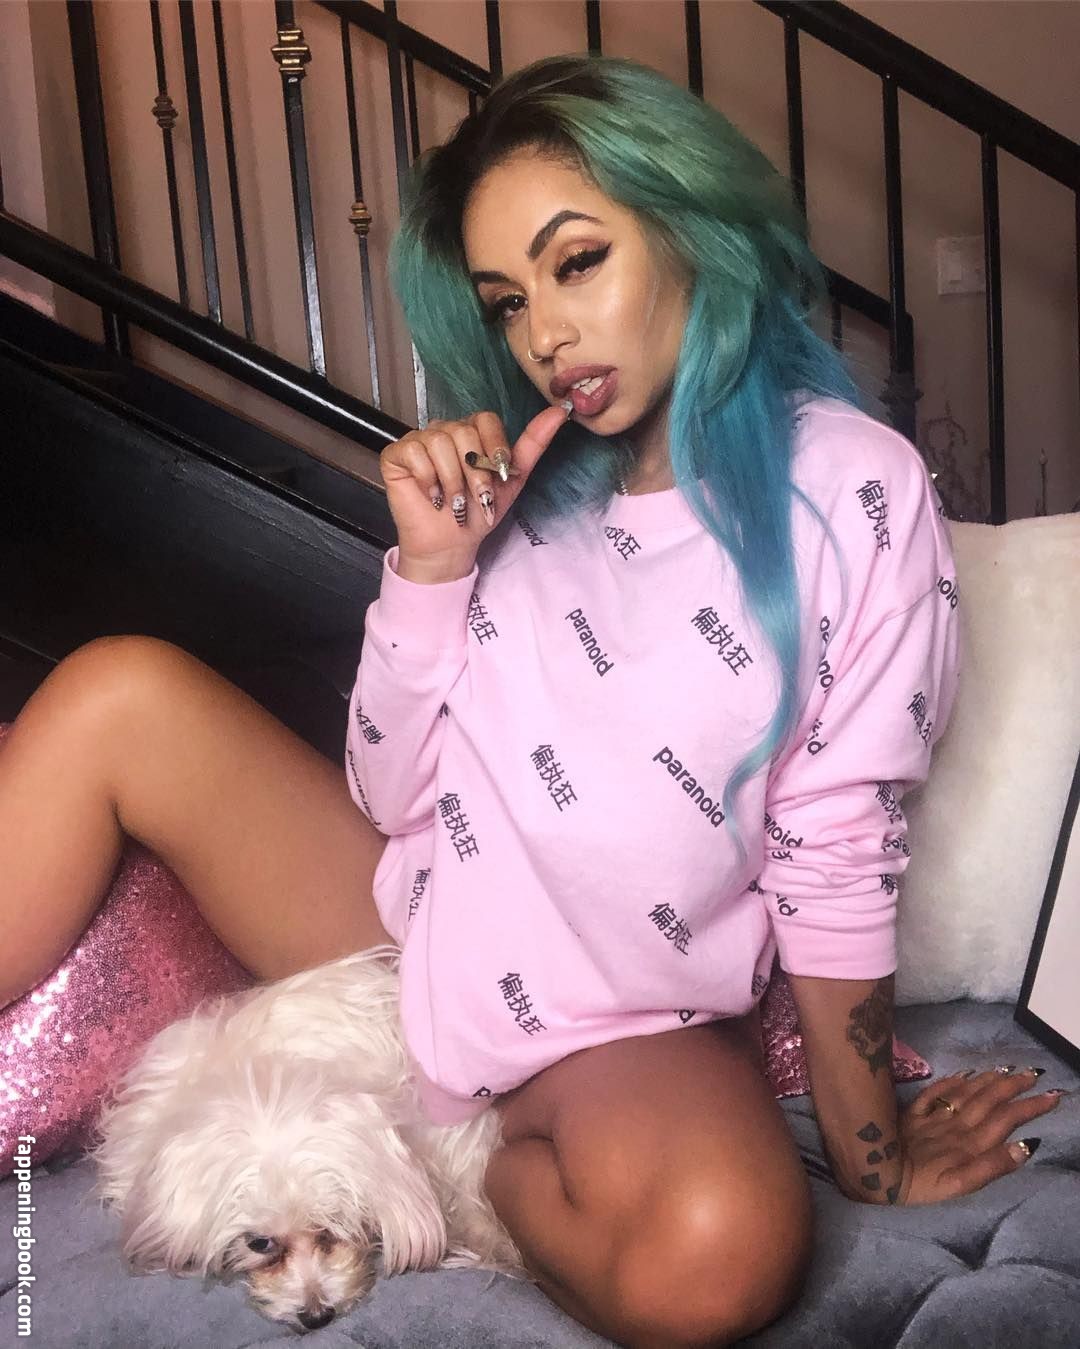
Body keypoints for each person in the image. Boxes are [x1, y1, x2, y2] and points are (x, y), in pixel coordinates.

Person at [0, 51, 1061, 1349]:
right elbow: (391, 791)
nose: (544, 335)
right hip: (410, 924)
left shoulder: (851, 488)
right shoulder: (522, 489)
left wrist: (871, 1154)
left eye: (578, 263)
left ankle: (476, 1165)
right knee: (116, 693)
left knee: (716, 1249)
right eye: (508, 300)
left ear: (693, 228)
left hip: (616, 1018)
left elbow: (834, 844)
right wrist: (433, 571)